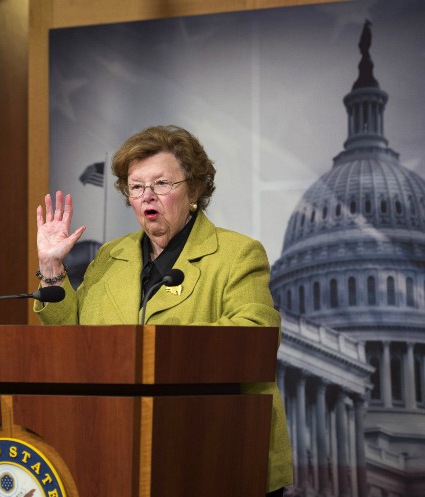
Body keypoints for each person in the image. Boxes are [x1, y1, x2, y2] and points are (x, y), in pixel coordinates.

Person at [33, 125, 292, 496]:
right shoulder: (110, 257)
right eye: (136, 187)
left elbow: (255, 338)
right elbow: (73, 341)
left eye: (161, 185)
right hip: (118, 449)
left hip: (217, 452)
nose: (146, 197)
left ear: (195, 190)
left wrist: (153, 353)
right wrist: (53, 267)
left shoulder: (237, 255)